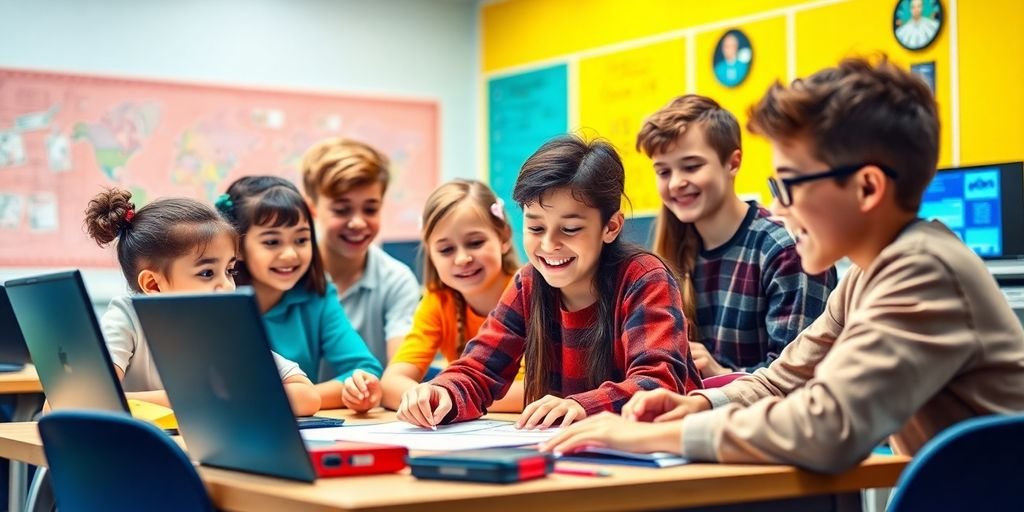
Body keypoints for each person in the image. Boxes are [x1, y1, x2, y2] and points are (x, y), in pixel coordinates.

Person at [542, 56, 1024, 473]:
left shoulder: (922, 270)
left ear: (868, 188)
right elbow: (783, 377)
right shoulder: (865, 275)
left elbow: (827, 425)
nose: (782, 208)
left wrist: (652, 437)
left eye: (790, 185)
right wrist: (696, 403)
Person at [396, 135, 701, 429]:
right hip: (569, 448)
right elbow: (479, 368)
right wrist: (443, 392)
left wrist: (582, 405)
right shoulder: (528, 282)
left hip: (657, 451)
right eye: (536, 227)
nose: (549, 244)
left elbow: (657, 383)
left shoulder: (644, 278)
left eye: (569, 229)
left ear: (610, 226)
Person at [637, 94, 836, 377]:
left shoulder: (785, 250)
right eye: (663, 171)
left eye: (692, 167)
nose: (677, 183)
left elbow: (799, 378)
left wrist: (721, 373)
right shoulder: (669, 253)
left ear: (732, 163)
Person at [86, 188, 320, 415]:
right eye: (207, 273)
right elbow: (94, 398)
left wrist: (210, 399)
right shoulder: (126, 316)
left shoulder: (225, 325)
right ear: (153, 285)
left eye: (229, 271)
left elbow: (307, 397)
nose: (228, 285)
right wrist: (212, 398)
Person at [218, 176, 383, 411]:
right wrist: (296, 398)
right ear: (238, 247)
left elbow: (365, 370)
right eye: (272, 242)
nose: (290, 254)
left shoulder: (317, 295)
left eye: (301, 239)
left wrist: (304, 397)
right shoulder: (217, 301)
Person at [371, 179, 525, 411]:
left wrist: (455, 397)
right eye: (446, 250)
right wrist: (430, 397)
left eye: (475, 243)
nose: (462, 258)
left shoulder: (532, 291)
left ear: (503, 238)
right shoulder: (438, 302)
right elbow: (391, 384)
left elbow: (540, 391)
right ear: (431, 253)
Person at [299, 138, 420, 368]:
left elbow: (401, 370)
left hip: (371, 405)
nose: (357, 222)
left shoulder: (397, 281)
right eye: (342, 210)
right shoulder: (289, 274)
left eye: (370, 209)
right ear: (312, 208)